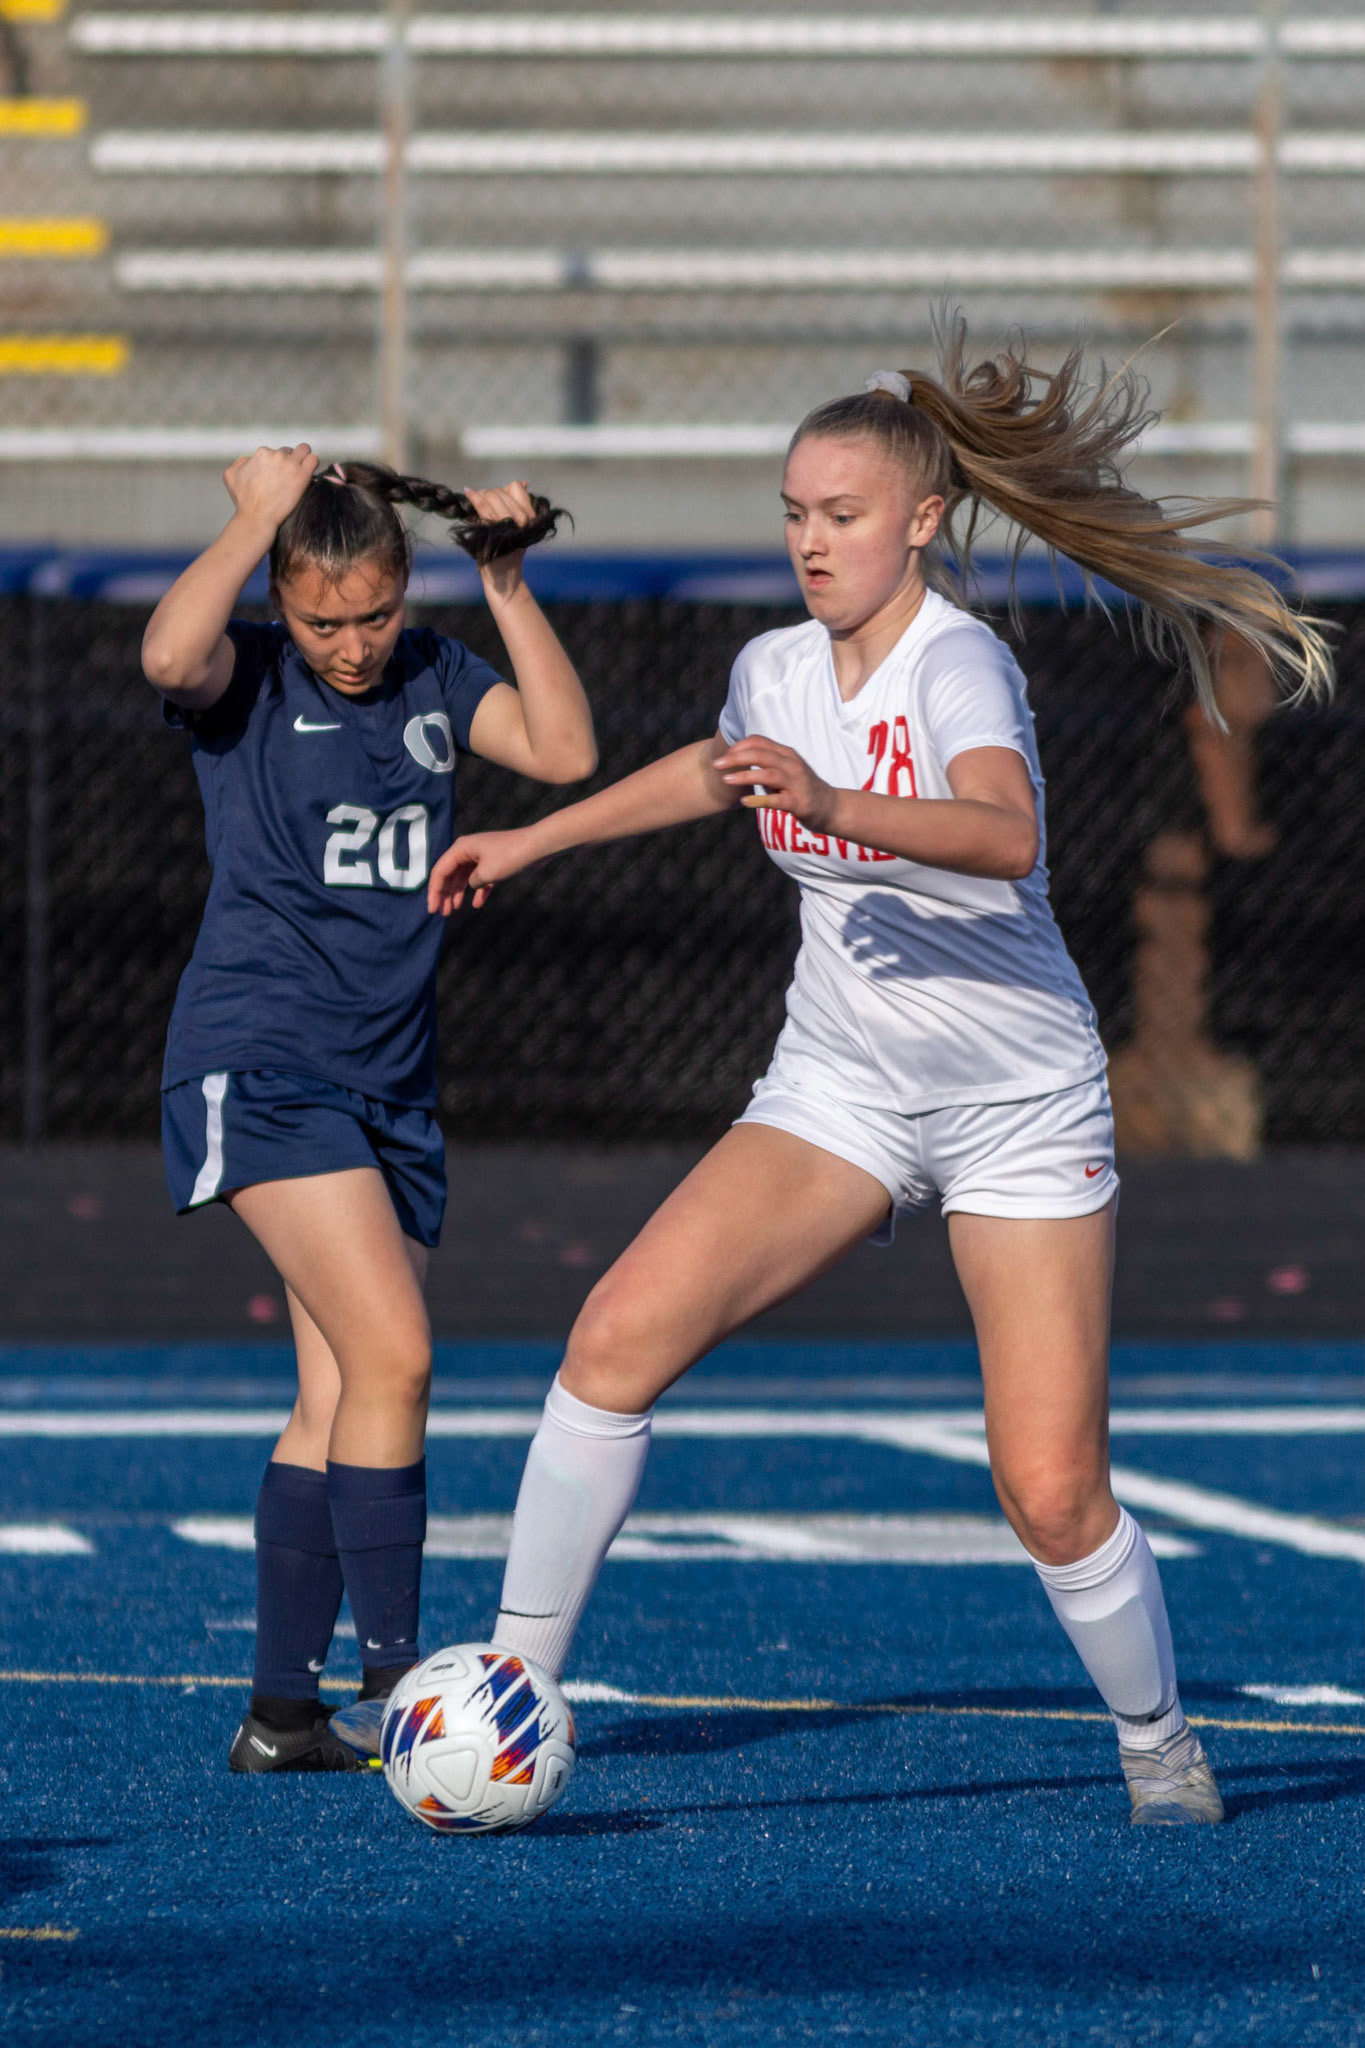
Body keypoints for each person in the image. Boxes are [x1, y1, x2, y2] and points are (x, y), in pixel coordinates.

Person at [428, 322, 1332, 1826]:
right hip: (840, 1088)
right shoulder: (774, 667)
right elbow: (713, 768)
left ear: (920, 519)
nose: (810, 542)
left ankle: (1160, 1744)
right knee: (611, 1344)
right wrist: (529, 839)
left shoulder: (956, 661)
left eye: (841, 515)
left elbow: (1004, 834)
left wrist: (838, 799)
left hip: (1016, 1107)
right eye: (794, 513)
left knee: (1048, 1488)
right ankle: (512, 1693)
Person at [143, 446, 596, 1772]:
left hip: (386, 1082)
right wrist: (254, 519)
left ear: (406, 591)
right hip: (263, 1059)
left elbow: (564, 750)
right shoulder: (247, 674)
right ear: (281, 605)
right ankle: (408, 1695)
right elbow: (168, 655)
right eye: (321, 621)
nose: (350, 646)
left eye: (375, 615)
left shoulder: (434, 676)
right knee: (396, 1358)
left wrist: (504, 583)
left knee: (339, 1390)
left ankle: (283, 1716)